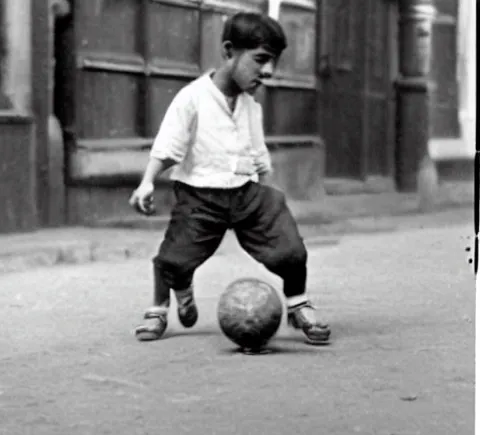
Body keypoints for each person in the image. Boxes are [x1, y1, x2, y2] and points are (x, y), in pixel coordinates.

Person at [129, 11, 331, 345]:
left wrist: (269, 195)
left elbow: (258, 154)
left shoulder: (251, 106)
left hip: (245, 193)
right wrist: (148, 180)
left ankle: (298, 304)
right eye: (261, 60)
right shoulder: (192, 98)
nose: (268, 72)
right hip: (199, 198)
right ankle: (161, 306)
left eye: (273, 62)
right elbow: (168, 146)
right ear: (228, 51)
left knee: (290, 248)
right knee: (174, 260)